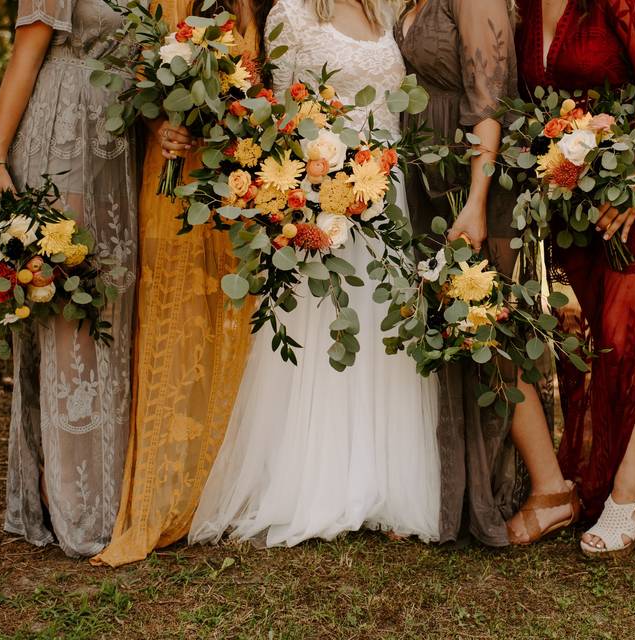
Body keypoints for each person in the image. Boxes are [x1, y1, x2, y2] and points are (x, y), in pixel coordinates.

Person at [188, 0, 442, 548]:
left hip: (386, 196)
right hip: (323, 199)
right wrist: (315, 189)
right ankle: (317, 484)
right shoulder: (292, 13)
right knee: (324, 334)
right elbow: (281, 118)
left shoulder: (384, 12)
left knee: (383, 338)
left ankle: (385, 487)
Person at [515, 0, 635, 557]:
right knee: (595, 331)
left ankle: (631, 492)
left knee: (628, 331)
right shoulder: (527, 6)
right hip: (571, 191)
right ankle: (608, 479)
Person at [91, 0, 269, 567]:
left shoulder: (253, 8)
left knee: (232, 320)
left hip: (234, 181)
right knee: (175, 320)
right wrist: (162, 126)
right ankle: (170, 486)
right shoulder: (163, 6)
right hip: (172, 183)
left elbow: (264, 93)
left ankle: (227, 484)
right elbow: (143, 84)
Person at [397, 0, 579, 547]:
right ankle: (455, 488)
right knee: (461, 338)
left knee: (494, 333)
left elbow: (489, 98)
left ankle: (550, 488)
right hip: (432, 182)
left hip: (478, 184)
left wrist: (476, 201)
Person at [0, 0, 138, 557]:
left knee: (110, 308)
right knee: (70, 308)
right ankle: (70, 498)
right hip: (63, 133)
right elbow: (28, 50)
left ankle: (109, 485)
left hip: (121, 144)